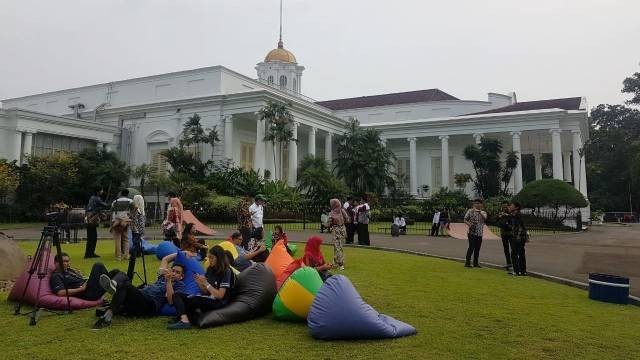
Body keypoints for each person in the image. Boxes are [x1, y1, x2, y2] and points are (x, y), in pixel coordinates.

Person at [92, 254, 186, 329]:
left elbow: (171, 301)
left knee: (125, 285)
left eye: (177, 273)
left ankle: (107, 316)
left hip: (149, 305)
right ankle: (113, 284)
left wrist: (168, 281)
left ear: (182, 277)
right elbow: (165, 259)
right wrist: (181, 252)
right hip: (140, 296)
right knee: (118, 273)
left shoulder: (179, 284)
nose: (173, 273)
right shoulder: (162, 277)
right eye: (173, 270)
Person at [168, 245, 235, 330]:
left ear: (219, 258)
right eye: (208, 258)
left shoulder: (226, 271)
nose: (209, 260)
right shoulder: (210, 270)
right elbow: (205, 292)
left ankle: (184, 321)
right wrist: (199, 283)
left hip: (219, 302)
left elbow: (220, 296)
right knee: (177, 295)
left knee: (193, 300)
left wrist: (205, 283)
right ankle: (183, 318)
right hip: (208, 298)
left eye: (212, 258)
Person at [50, 252, 119, 301]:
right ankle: (110, 285)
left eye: (67, 261)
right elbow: (60, 293)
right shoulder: (56, 276)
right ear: (55, 263)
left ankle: (111, 285)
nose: (65, 263)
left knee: (116, 272)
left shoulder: (69, 271)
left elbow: (81, 280)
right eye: (62, 261)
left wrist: (81, 276)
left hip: (92, 288)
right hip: (88, 293)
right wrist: (81, 289)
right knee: (98, 265)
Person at [84, 187, 109, 259]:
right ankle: (89, 254)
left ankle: (91, 253)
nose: (102, 191)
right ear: (98, 191)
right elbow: (105, 206)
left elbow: (98, 207)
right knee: (92, 237)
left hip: (90, 218)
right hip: (91, 219)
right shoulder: (96, 198)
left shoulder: (93, 198)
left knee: (92, 237)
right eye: (101, 190)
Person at [110, 189, 133, 261]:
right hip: (125, 221)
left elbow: (112, 212)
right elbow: (136, 207)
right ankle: (126, 256)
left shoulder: (115, 201)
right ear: (127, 194)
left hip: (116, 221)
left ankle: (118, 257)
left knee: (118, 240)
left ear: (121, 194)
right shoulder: (130, 201)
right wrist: (131, 215)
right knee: (126, 239)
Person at [464, 199, 487, 268]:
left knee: (477, 248)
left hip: (479, 233)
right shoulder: (470, 211)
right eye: (475, 203)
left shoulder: (483, 212)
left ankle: (475, 263)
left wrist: (479, 212)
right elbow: (465, 219)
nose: (477, 205)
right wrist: (469, 224)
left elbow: (485, 218)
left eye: (478, 203)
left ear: (481, 204)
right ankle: (467, 263)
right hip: (471, 232)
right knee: (471, 247)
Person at [327, 198, 349, 270]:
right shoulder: (342, 210)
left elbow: (328, 223)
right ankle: (336, 262)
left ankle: (341, 264)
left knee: (337, 247)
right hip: (342, 229)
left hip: (336, 230)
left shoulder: (331, 213)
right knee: (338, 246)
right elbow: (347, 219)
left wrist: (329, 224)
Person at [509, 202, 529, 276]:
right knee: (521, 253)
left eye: (512, 206)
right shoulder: (514, 215)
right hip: (520, 236)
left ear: (516, 208)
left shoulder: (518, 216)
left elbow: (520, 226)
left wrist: (517, 235)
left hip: (518, 237)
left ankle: (517, 271)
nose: (510, 207)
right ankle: (522, 271)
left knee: (514, 254)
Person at [497, 201, 513, 271]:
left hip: (510, 233)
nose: (504, 208)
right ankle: (509, 263)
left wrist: (507, 215)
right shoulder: (502, 214)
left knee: (513, 248)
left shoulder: (511, 214)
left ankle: (514, 263)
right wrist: (499, 217)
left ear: (509, 206)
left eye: (506, 207)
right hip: (503, 233)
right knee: (506, 249)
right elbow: (496, 221)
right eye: (503, 207)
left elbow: (513, 221)